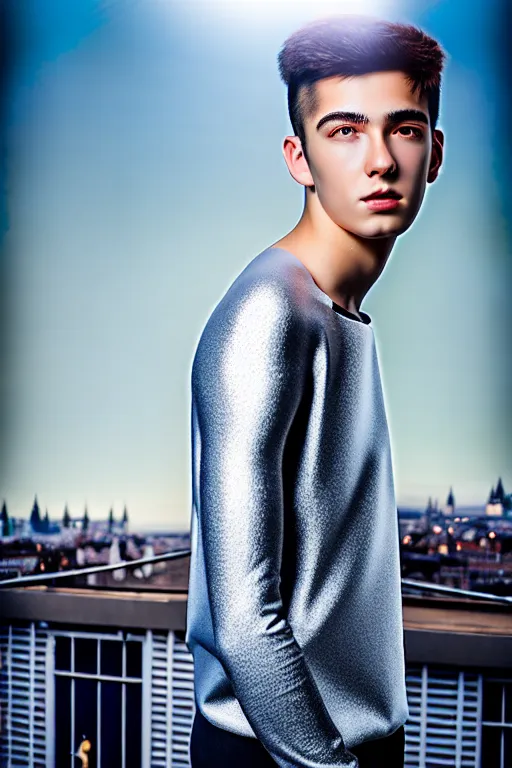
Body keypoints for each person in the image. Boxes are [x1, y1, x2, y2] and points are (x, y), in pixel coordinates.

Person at [185, 14, 445, 768]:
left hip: (343, 745)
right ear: (298, 157)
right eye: (344, 131)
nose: (378, 161)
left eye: (404, 129)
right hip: (280, 754)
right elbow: (242, 621)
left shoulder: (338, 311)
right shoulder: (270, 312)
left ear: (434, 154)